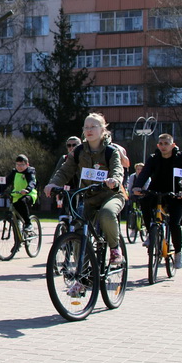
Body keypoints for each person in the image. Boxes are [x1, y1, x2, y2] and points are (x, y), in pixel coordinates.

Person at [45, 113, 126, 267]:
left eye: (93, 127)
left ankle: (115, 249)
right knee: (78, 231)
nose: (89, 130)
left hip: (111, 195)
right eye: (86, 127)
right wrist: (53, 184)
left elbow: (117, 169)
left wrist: (114, 181)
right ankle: (83, 275)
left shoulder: (111, 151)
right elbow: (65, 171)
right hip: (88, 197)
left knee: (106, 214)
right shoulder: (78, 151)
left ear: (102, 130)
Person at [133, 133, 182, 269]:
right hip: (156, 189)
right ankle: (150, 233)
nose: (163, 146)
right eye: (161, 144)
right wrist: (138, 186)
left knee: (174, 223)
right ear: (158, 145)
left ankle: (178, 252)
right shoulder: (154, 158)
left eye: (166, 144)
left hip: (175, 192)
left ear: (173, 145)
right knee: (145, 202)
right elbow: (145, 173)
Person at [0, 154, 37, 248]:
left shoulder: (29, 172)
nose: (19, 167)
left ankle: (28, 223)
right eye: (18, 164)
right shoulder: (14, 172)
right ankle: (18, 243)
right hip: (16, 195)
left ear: (27, 165)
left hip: (29, 195)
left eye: (22, 165)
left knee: (22, 202)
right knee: (15, 220)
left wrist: (27, 189)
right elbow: (6, 182)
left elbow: (32, 182)